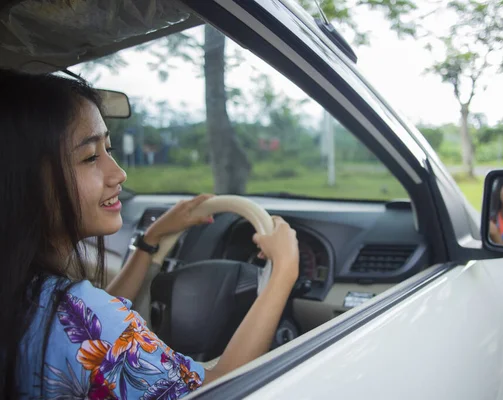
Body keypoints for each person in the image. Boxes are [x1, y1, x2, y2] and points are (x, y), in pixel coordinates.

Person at [0, 69, 299, 399]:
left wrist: (150, 241)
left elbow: (95, 318)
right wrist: (283, 271)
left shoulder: (30, 297)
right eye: (90, 157)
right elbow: (217, 389)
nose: (120, 174)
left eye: (109, 149)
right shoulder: (80, 314)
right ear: (22, 179)